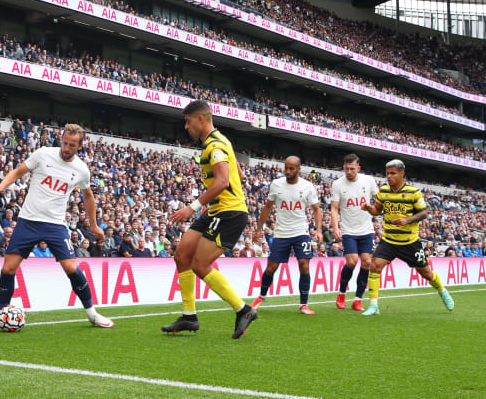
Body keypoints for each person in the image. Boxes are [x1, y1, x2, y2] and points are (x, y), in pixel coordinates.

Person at [0, 124, 113, 329]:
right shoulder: (43, 154)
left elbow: (88, 197)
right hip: (28, 220)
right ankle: (3, 313)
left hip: (55, 224)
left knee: (71, 267)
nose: (66, 147)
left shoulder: (81, 170)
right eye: (65, 142)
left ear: (79, 146)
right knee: (8, 267)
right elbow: (19, 170)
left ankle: (92, 313)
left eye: (71, 145)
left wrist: (95, 225)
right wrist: (2, 185)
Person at [161, 100, 257, 339]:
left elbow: (223, 181)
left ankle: (243, 309)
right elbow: (238, 174)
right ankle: (189, 316)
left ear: (201, 119)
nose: (186, 126)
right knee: (182, 255)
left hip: (229, 213)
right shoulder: (220, 142)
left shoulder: (214, 146)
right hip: (216, 210)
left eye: (188, 121)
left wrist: (193, 207)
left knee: (200, 265)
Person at [361, 159, 454, 315]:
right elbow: (377, 210)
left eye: (392, 173)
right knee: (375, 266)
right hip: (389, 240)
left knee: (426, 273)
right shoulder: (383, 191)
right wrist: (369, 209)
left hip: (409, 242)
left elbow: (424, 213)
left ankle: (442, 291)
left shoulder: (413, 192)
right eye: (387, 174)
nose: (389, 177)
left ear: (402, 173)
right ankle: (373, 305)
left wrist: (407, 220)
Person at [252, 156, 323, 315]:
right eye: (286, 168)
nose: (288, 171)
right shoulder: (276, 184)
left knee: (304, 265)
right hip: (281, 233)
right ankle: (261, 296)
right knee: (271, 268)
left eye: (292, 168)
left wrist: (318, 230)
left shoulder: (307, 186)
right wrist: (258, 229)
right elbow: (267, 207)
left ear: (298, 170)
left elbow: (317, 209)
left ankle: (303, 304)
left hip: (301, 232)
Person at [330, 154, 379, 311]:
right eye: (346, 168)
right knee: (351, 262)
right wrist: (336, 227)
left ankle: (358, 299)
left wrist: (372, 209)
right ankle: (341, 293)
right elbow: (334, 208)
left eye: (352, 169)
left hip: (366, 230)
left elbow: (379, 201)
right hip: (348, 230)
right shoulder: (337, 184)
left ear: (358, 168)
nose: (349, 172)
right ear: (343, 167)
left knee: (366, 263)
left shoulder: (368, 181)